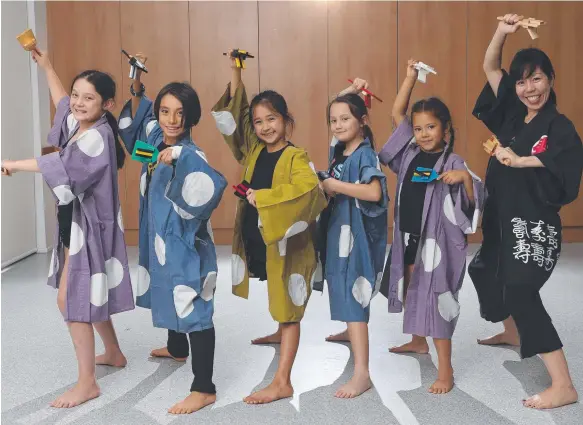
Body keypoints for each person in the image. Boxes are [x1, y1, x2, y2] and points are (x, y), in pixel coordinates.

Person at [2, 50, 134, 408]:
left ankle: (87, 382)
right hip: (74, 224)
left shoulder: (96, 137)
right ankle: (114, 353)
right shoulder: (82, 122)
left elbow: (60, 164)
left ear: (107, 103)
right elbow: (62, 104)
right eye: (77, 94)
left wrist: (12, 163)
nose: (77, 102)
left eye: (88, 98)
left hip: (88, 228)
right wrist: (46, 66)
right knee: (90, 291)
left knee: (70, 299)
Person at [468, 14, 582, 409]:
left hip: (534, 222)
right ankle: (514, 330)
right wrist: (502, 30)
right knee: (483, 269)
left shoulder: (560, 126)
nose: (529, 88)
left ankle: (563, 384)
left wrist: (521, 161)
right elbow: (490, 66)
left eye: (536, 79)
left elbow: (563, 161)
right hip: (503, 216)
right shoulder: (513, 115)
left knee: (520, 288)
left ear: (550, 79)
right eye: (521, 81)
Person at [211, 50, 326, 404]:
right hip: (261, 239)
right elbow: (236, 117)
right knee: (276, 295)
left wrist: (265, 196)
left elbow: (308, 191)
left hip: (287, 244)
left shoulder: (296, 156)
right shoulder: (254, 150)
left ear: (286, 119)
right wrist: (236, 69)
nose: (264, 127)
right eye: (259, 122)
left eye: (271, 119)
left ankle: (282, 381)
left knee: (287, 306)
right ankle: (279, 331)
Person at [117, 52, 227, 414]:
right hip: (159, 238)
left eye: (180, 113)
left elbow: (210, 186)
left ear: (191, 116)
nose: (171, 119)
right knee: (167, 288)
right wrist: (136, 83)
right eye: (165, 111)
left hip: (184, 243)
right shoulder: (154, 136)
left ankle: (204, 386)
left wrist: (178, 158)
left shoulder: (192, 153)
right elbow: (139, 119)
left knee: (191, 303)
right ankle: (177, 348)